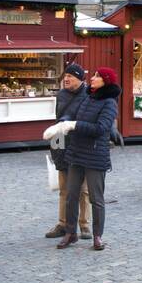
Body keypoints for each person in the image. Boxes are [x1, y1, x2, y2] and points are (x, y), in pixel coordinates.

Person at [49, 67, 121, 251]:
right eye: (94, 75)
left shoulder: (109, 102)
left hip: (95, 155)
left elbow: (101, 128)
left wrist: (74, 125)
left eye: (97, 76)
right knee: (71, 195)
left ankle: (97, 236)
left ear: (106, 81)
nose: (93, 78)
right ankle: (70, 233)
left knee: (96, 198)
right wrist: (62, 125)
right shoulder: (88, 97)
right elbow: (72, 116)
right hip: (76, 153)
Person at [45, 64, 92, 240]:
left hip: (81, 145)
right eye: (65, 76)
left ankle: (84, 225)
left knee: (83, 189)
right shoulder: (62, 95)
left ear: (80, 79)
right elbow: (58, 120)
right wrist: (56, 152)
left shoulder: (89, 95)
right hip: (62, 142)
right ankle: (63, 224)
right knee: (64, 188)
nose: (66, 79)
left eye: (71, 76)